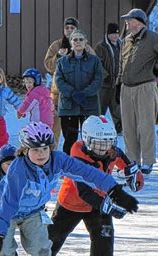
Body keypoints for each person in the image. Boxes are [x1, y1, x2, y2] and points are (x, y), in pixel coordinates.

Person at [0, 122, 139, 256]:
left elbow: (87, 173)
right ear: (25, 151)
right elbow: (8, 204)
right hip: (7, 213)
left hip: (33, 213)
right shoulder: (19, 170)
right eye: (35, 150)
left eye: (44, 149)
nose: (41, 154)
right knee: (5, 250)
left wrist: (115, 191)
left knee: (42, 249)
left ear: (51, 148)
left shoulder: (58, 160)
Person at [21, 115, 144, 256]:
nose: (104, 148)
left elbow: (125, 163)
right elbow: (84, 191)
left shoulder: (112, 151)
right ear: (86, 140)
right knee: (55, 234)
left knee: (104, 233)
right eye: (99, 143)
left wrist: (134, 175)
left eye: (107, 142)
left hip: (99, 202)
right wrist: (109, 207)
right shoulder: (78, 157)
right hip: (72, 204)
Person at [117, 9, 158, 175]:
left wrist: (157, 70)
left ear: (139, 21)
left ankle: (148, 161)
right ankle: (131, 160)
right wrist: (118, 83)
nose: (126, 22)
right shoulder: (126, 40)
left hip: (145, 86)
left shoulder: (153, 37)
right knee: (128, 126)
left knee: (146, 125)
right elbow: (122, 63)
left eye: (129, 19)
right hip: (126, 87)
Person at [44, 17, 96, 148]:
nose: (69, 30)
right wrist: (58, 57)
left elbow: (95, 66)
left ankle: (82, 154)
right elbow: (48, 65)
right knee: (55, 127)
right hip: (59, 94)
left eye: (72, 28)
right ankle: (51, 154)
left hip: (81, 94)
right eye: (67, 28)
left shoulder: (86, 47)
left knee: (81, 129)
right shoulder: (56, 45)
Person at [55, 29, 103, 155]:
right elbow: (59, 81)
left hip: (89, 105)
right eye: (74, 39)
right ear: (70, 42)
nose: (78, 42)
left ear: (85, 42)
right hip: (68, 106)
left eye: (80, 39)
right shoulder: (62, 62)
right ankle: (68, 164)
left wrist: (85, 93)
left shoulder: (94, 61)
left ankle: (89, 165)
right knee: (70, 139)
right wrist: (72, 93)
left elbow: (98, 80)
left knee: (91, 139)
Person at [94, 23, 122, 134]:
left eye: (117, 33)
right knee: (101, 108)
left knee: (117, 107)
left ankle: (119, 126)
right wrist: (104, 75)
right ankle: (97, 127)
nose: (115, 36)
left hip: (117, 83)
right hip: (104, 84)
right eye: (113, 33)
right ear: (108, 34)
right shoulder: (101, 46)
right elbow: (97, 63)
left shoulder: (121, 45)